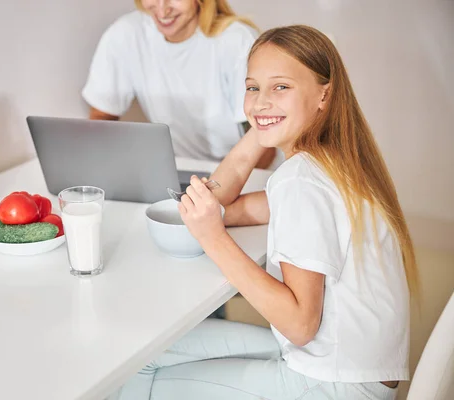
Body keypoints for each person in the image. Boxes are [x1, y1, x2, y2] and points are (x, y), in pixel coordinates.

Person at [108, 25, 418, 400]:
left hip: (332, 382)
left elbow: (300, 324)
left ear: (325, 95)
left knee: (133, 370)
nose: (259, 100)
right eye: (252, 87)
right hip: (350, 365)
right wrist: (264, 121)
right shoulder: (335, 163)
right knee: (146, 349)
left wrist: (212, 236)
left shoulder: (301, 180)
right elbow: (228, 207)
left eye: (281, 87)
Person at [82, 0, 279, 169]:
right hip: (180, 171)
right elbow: (101, 117)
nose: (162, 9)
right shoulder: (126, 35)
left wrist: (219, 188)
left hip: (245, 173)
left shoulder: (236, 42)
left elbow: (265, 146)